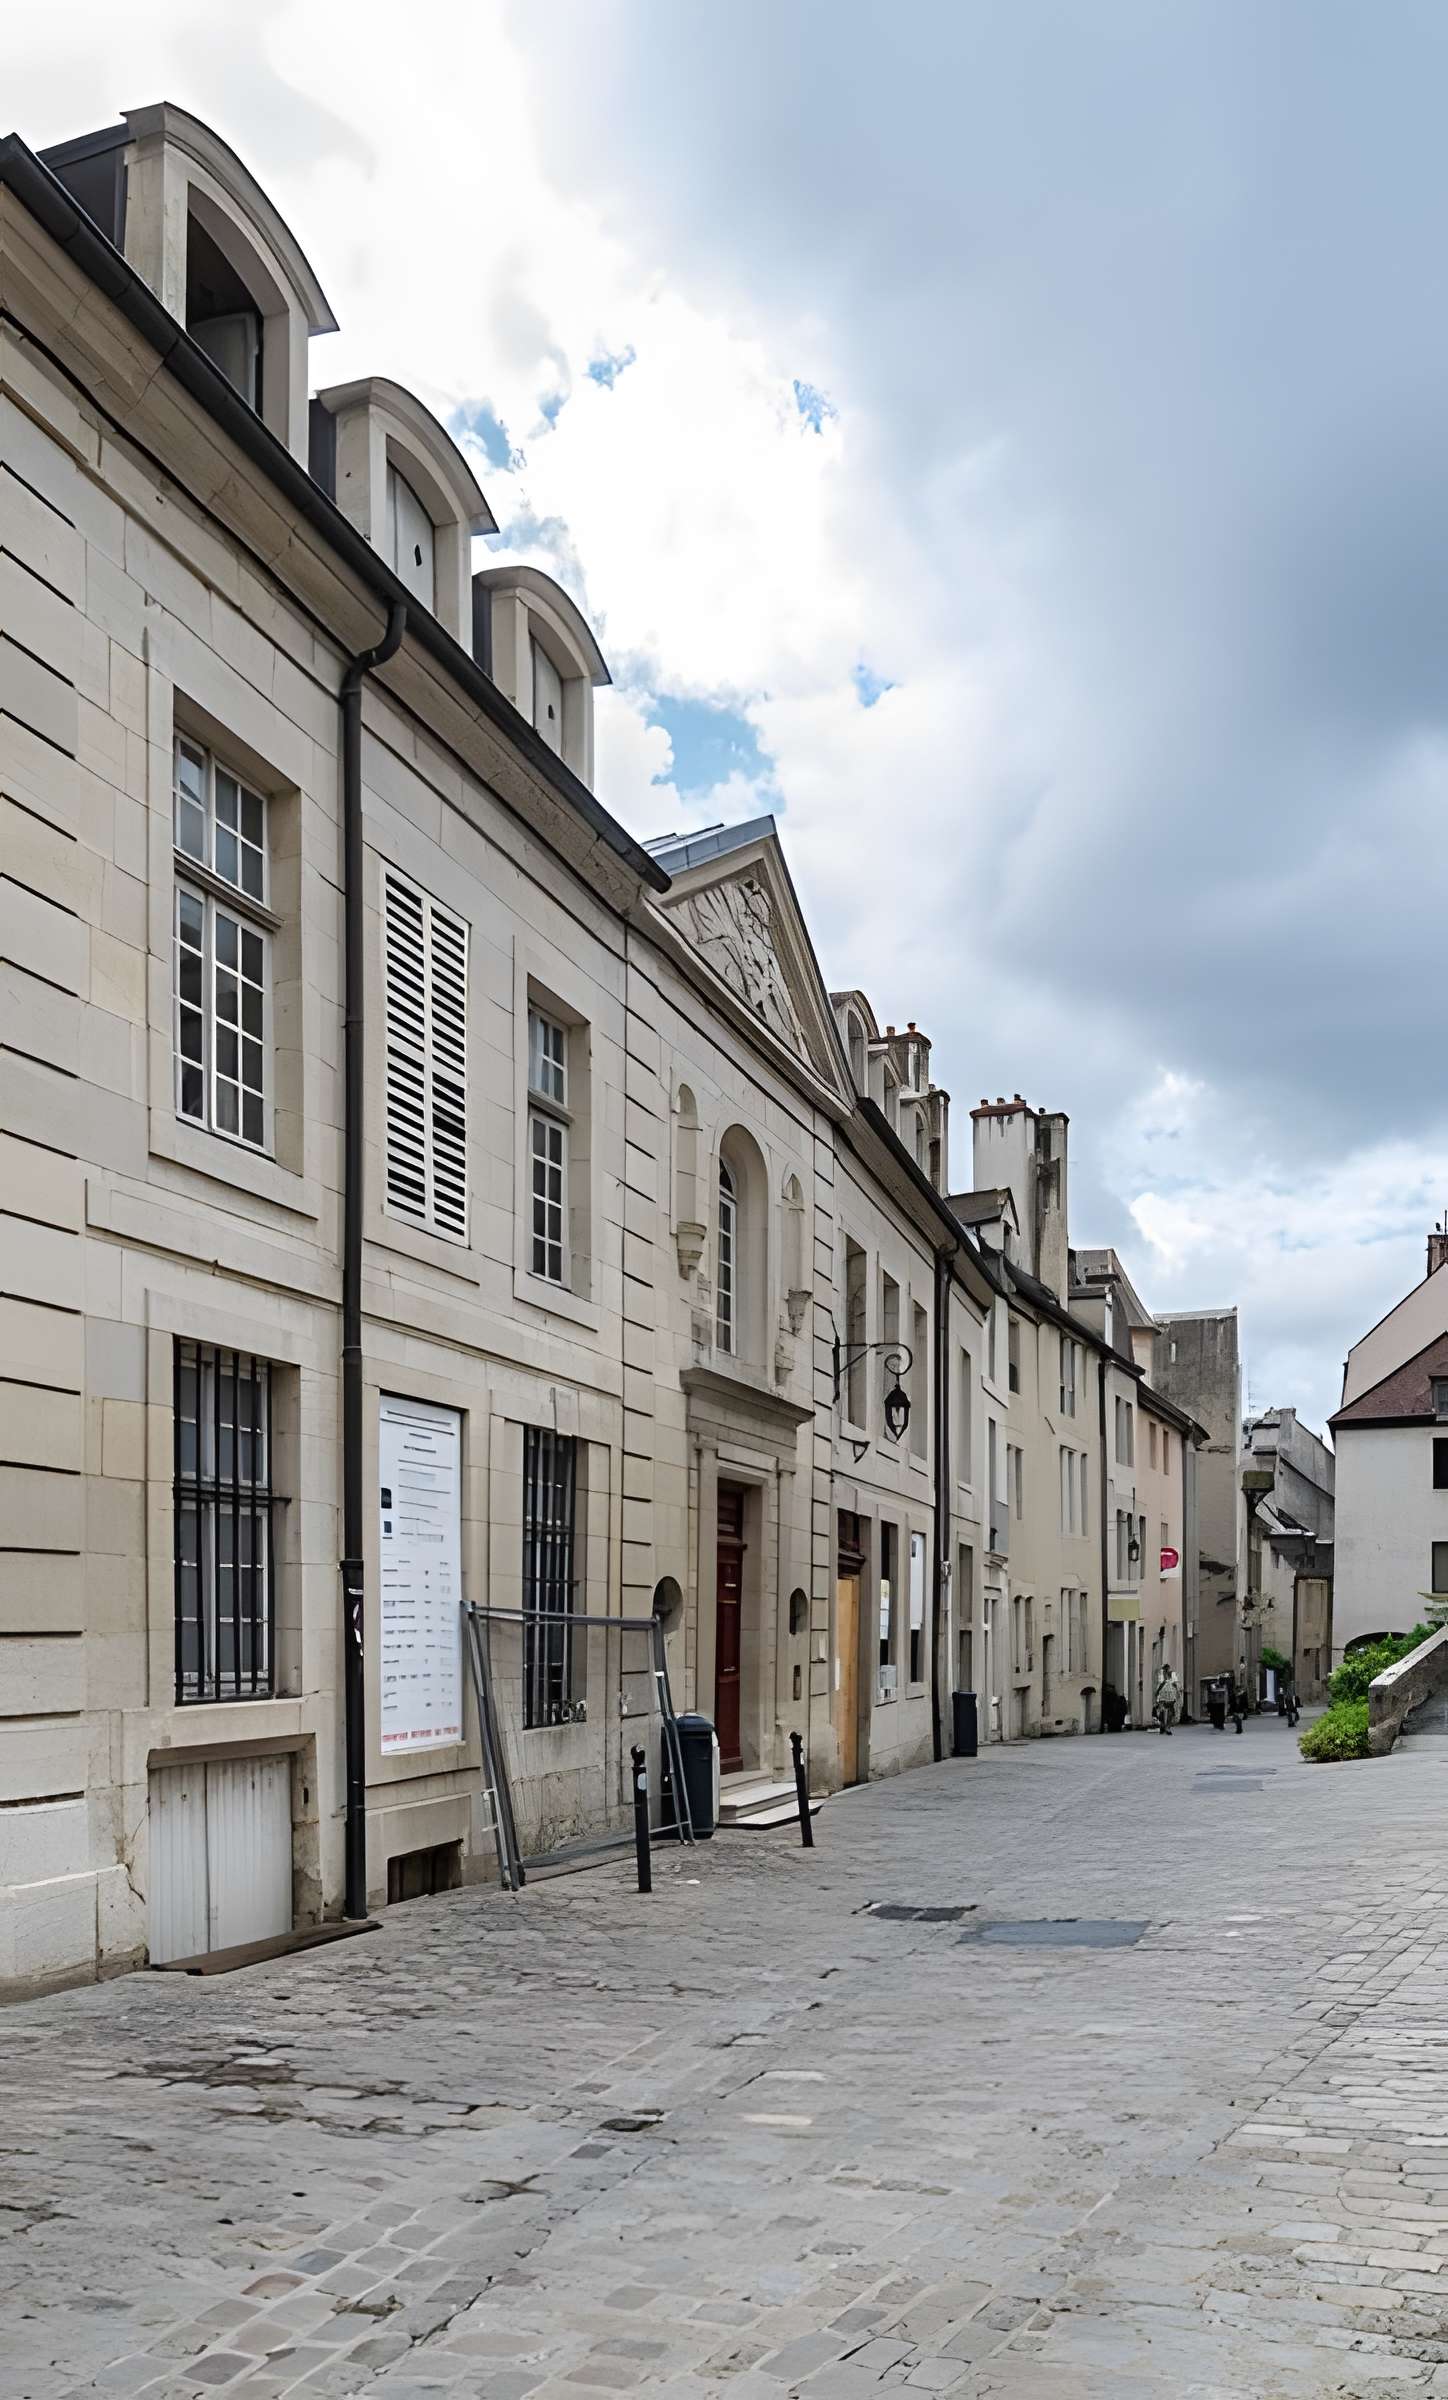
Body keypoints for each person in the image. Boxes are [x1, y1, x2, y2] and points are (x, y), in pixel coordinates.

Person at [1153, 1664, 1182, 1735]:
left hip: (1167, 1695)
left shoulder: (1169, 1674)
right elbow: (1162, 1684)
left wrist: (1156, 1693)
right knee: (1165, 1711)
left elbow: (1174, 1684)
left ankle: (1165, 1726)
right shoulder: (1163, 1674)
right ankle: (1165, 1726)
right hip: (1166, 1695)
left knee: (1166, 1710)